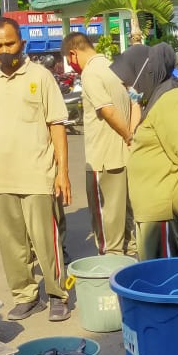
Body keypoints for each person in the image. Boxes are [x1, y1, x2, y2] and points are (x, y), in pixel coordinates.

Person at [0, 17, 73, 322]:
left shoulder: (40, 76)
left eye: (9, 43)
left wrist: (62, 172)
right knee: (12, 244)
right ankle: (25, 296)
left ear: (21, 43)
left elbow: (57, 125)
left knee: (45, 240)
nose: (3, 50)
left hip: (36, 174)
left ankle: (57, 294)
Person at [114, 43, 178, 260]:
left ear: (146, 73)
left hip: (166, 212)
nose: (128, 90)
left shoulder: (170, 102)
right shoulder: (158, 99)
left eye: (129, 83)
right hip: (156, 211)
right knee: (157, 281)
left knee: (167, 283)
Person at [61, 31, 135, 256]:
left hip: (102, 160)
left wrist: (127, 135)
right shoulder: (112, 67)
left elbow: (107, 110)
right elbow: (133, 103)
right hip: (123, 158)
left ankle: (109, 272)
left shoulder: (91, 74)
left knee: (105, 225)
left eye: (68, 60)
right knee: (125, 221)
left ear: (73, 54)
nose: (71, 66)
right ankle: (130, 264)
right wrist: (130, 137)